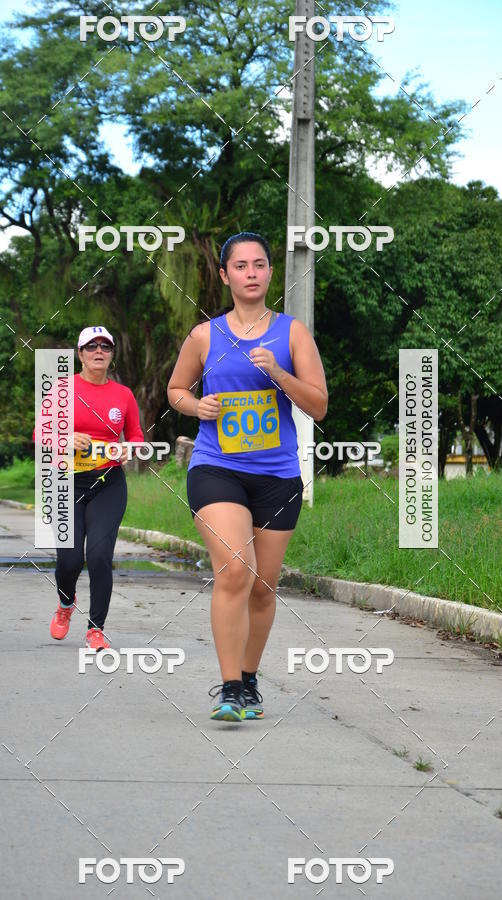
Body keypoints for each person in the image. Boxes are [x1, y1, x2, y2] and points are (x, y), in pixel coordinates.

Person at [167, 232, 328, 721]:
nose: (251, 272)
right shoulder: (204, 336)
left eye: (260, 264)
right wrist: (197, 405)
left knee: (263, 585)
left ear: (270, 273)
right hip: (217, 467)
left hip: (277, 475)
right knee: (236, 570)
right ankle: (230, 688)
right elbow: (174, 390)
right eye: (241, 265)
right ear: (225, 275)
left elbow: (318, 405)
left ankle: (251, 677)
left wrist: (279, 373)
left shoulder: (292, 333)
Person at [43, 326, 144, 651]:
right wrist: (64, 438)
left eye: (105, 346)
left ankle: (96, 629)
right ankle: (65, 603)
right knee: (70, 561)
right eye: (91, 346)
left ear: (112, 354)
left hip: (108, 482)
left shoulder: (123, 394)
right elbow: (40, 435)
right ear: (80, 353)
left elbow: (137, 437)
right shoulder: (61, 389)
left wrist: (131, 449)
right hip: (67, 483)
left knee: (99, 556)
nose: (98, 351)